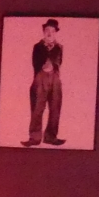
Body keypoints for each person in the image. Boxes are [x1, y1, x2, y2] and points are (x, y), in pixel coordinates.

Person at [23, 19, 65, 147]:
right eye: (47, 30)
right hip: (40, 79)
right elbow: (35, 63)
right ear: (43, 32)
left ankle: (51, 137)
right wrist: (44, 65)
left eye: (52, 31)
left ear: (55, 33)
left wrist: (53, 67)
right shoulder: (37, 47)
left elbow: (59, 62)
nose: (49, 33)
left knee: (55, 108)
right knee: (37, 108)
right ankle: (34, 138)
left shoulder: (59, 47)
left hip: (55, 79)